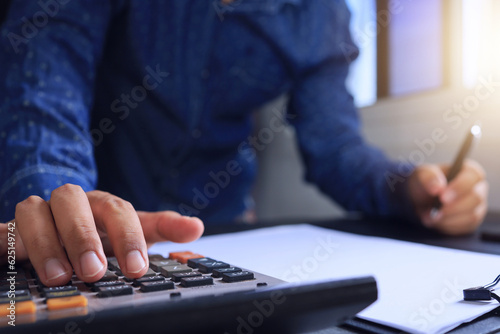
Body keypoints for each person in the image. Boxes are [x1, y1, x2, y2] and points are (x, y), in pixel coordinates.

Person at [0, 0, 488, 286]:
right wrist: (60, 202)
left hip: (225, 235)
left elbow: (335, 146)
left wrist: (408, 189)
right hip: (97, 236)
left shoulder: (320, 14)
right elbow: (44, 82)